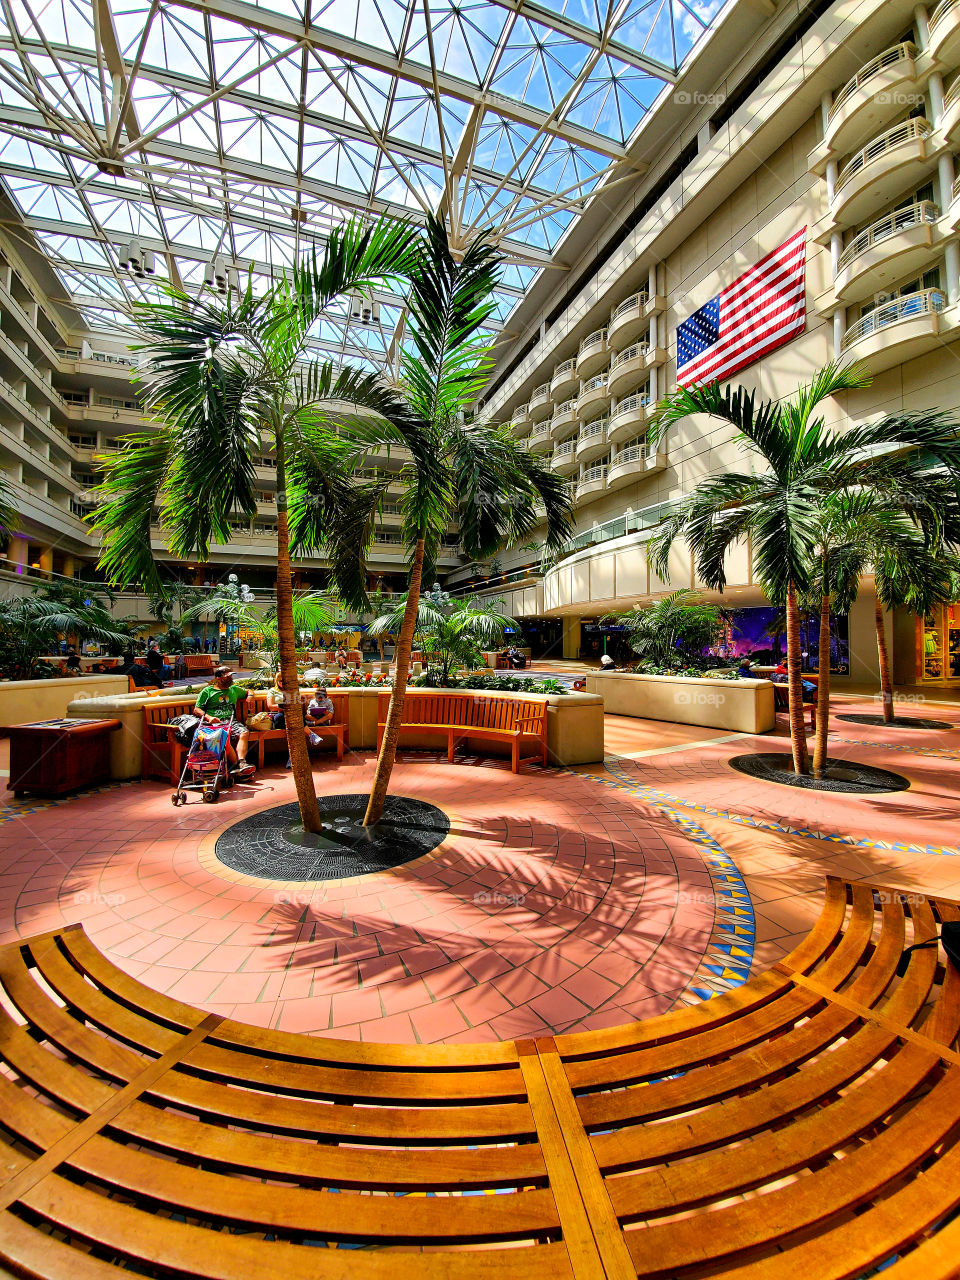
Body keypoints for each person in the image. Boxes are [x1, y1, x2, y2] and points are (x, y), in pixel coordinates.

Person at [193, 666, 253, 774]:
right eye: (227, 676)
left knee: (244, 732)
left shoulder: (234, 689)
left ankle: (242, 762)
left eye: (231, 676)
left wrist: (250, 696)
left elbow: (249, 691)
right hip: (214, 724)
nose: (230, 678)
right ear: (218, 678)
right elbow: (197, 709)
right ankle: (238, 767)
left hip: (230, 721)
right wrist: (209, 717)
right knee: (224, 738)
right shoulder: (207, 691)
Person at [266, 671, 323, 769]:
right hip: (279, 718)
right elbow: (270, 706)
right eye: (280, 681)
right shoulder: (272, 691)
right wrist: (283, 707)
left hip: (292, 719)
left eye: (284, 681)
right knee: (290, 719)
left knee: (295, 730)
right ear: (276, 681)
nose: (282, 683)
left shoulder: (291, 691)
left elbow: (297, 705)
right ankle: (311, 734)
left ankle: (292, 759)